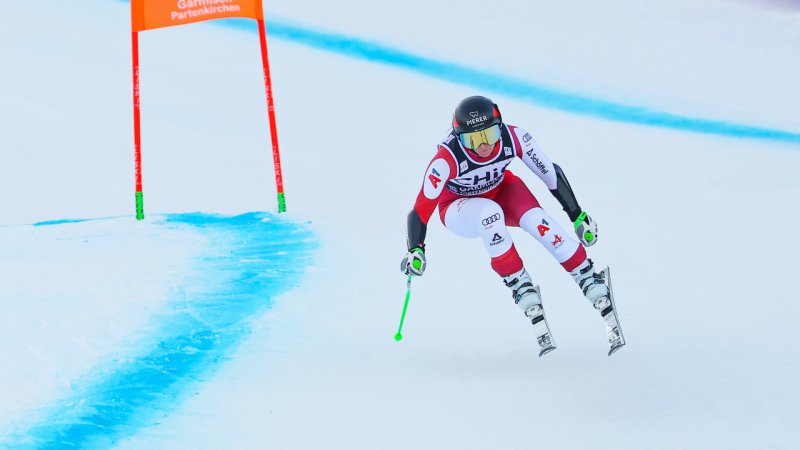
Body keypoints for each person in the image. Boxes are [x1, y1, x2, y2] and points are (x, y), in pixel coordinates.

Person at [400, 95, 615, 354]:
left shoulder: (514, 138)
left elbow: (550, 174)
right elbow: (420, 210)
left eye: (490, 135)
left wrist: (577, 216)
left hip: (502, 190)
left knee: (538, 222)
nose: (484, 146)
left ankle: (587, 275)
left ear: (500, 126)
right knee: (489, 213)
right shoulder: (446, 160)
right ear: (459, 138)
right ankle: (519, 283)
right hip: (458, 207)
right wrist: (416, 249)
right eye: (473, 140)